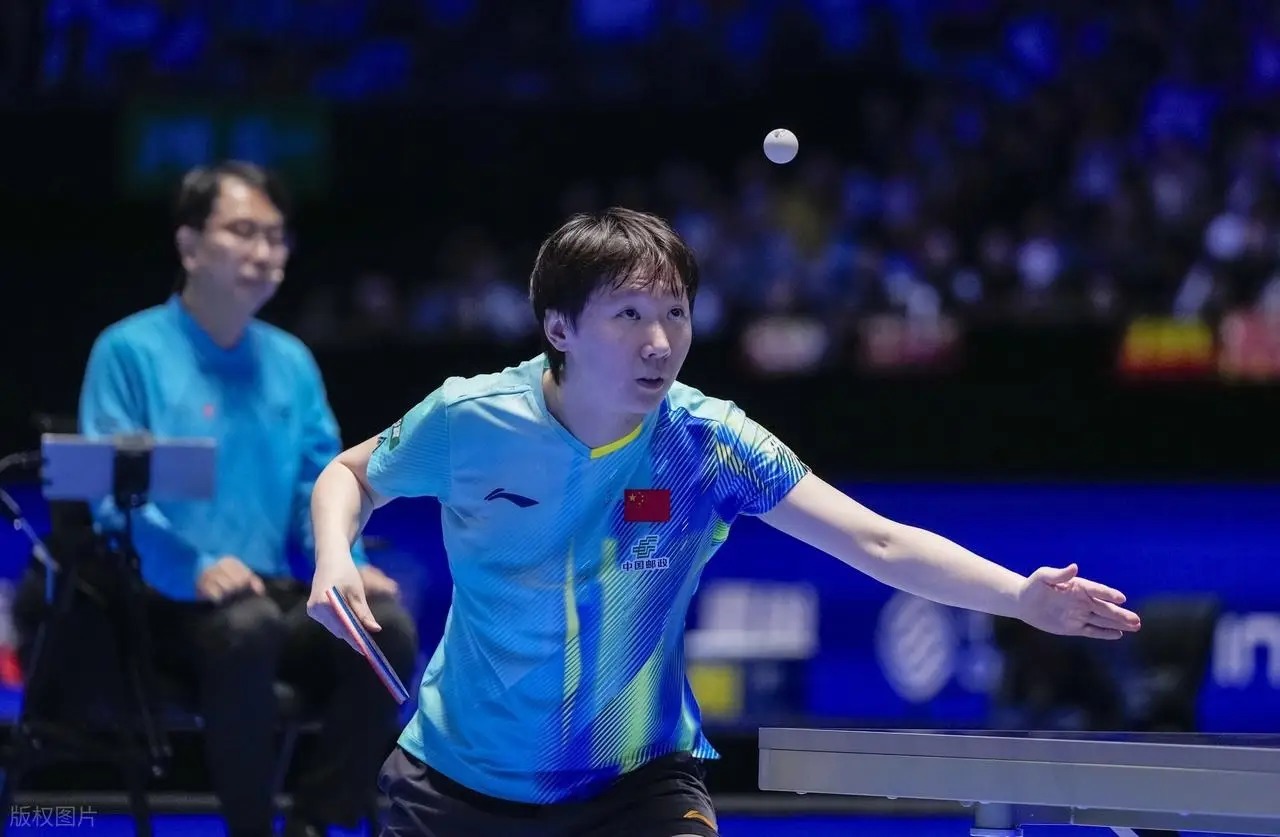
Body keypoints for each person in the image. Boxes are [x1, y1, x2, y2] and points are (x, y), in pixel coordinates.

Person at [305, 207, 1142, 837]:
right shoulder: (472, 419)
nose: (660, 341)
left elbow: (876, 539)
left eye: (676, 313)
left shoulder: (708, 441)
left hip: (634, 783)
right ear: (559, 327)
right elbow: (350, 474)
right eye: (628, 315)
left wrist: (1020, 597)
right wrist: (334, 555)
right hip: (457, 786)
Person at [74, 161, 419, 837]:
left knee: (384, 630)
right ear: (189, 245)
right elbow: (113, 496)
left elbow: (319, 489)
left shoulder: (291, 363)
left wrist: (345, 563)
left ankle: (316, 822)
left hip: (267, 597)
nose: (264, 251)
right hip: (160, 608)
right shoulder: (128, 351)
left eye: (276, 236)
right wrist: (193, 565)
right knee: (248, 625)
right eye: (242, 231)